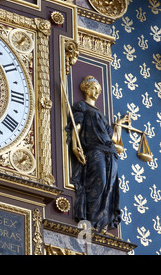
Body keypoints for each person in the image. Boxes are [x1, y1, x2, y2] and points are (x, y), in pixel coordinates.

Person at [66, 76, 129, 233]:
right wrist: (75, 146)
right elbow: (77, 127)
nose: (96, 92)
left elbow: (112, 138)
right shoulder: (82, 107)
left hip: (110, 153)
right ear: (86, 89)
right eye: (93, 88)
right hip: (94, 150)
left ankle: (103, 223)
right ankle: (92, 221)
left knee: (110, 186)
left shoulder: (101, 114)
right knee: (98, 181)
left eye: (99, 90)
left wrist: (118, 125)